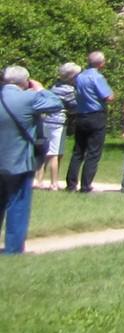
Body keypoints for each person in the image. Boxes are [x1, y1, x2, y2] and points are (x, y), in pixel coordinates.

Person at [0, 65, 66, 253]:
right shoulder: (29, 98)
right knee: (18, 205)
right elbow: (56, 103)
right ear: (25, 81)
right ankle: (13, 249)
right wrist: (40, 88)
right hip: (19, 160)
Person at [64, 50, 113, 192]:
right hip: (96, 115)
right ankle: (86, 185)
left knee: (78, 151)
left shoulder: (79, 77)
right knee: (93, 152)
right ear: (100, 63)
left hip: (80, 115)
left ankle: (71, 184)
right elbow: (108, 97)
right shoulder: (97, 77)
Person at [35, 62, 78, 191]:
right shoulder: (68, 90)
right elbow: (74, 106)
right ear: (71, 77)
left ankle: (39, 180)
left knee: (45, 152)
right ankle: (54, 183)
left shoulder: (54, 86)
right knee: (55, 153)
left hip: (46, 120)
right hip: (57, 122)